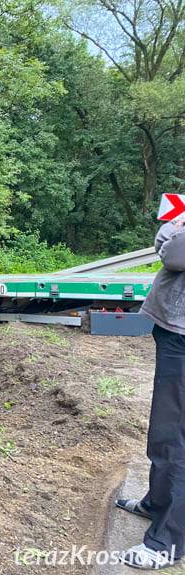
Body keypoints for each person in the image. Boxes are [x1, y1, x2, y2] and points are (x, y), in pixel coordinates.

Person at [117, 213, 185, 569]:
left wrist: (173, 231)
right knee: (165, 430)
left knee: (175, 437)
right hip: (176, 332)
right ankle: (156, 504)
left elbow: (173, 255)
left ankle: (167, 541)